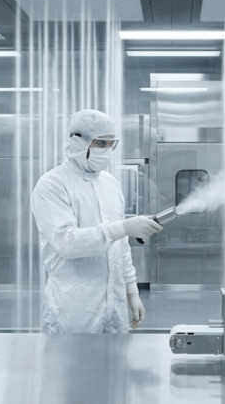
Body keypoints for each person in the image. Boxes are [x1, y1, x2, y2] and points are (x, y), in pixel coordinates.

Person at [31, 109, 163, 334]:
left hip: (115, 305)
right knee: (73, 366)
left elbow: (120, 247)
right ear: (77, 142)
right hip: (74, 307)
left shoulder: (110, 184)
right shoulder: (52, 185)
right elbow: (67, 243)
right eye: (100, 143)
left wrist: (132, 291)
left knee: (114, 365)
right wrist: (123, 228)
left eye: (111, 144)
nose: (106, 151)